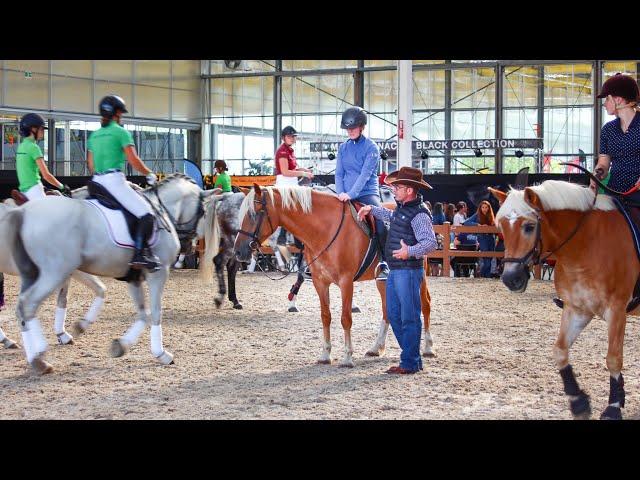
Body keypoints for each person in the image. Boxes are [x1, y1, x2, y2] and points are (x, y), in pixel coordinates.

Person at [358, 167, 438, 374]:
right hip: (396, 270)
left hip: (408, 271)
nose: (394, 189)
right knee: (394, 314)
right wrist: (371, 209)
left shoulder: (420, 214)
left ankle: (410, 362)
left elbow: (430, 243)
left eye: (398, 186)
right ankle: (412, 357)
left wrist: (409, 251)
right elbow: (392, 216)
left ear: (410, 190)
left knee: (409, 316)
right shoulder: (404, 208)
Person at [87, 95, 160, 271]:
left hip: (96, 182)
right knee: (146, 214)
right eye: (121, 113)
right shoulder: (121, 132)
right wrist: (149, 174)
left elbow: (91, 165)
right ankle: (139, 255)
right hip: (113, 181)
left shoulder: (94, 135)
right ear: (117, 113)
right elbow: (133, 160)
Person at [336, 106, 389, 280]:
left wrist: (350, 194)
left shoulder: (371, 147)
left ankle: (384, 262)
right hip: (344, 194)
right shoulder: (343, 148)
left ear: (362, 127)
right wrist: (340, 193)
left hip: (366, 193)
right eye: (347, 128)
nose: (350, 131)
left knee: (381, 224)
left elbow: (365, 175)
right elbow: (339, 173)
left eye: (353, 127)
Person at [591, 73, 640, 203]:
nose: (604, 104)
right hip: (614, 192)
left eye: (607, 99)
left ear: (618, 100)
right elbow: (604, 162)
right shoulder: (608, 129)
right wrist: (596, 175)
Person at [16, 113, 71, 200]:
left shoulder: (21, 146)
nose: (43, 132)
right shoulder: (34, 147)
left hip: (24, 192)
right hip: (35, 191)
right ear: (33, 129)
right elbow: (46, 175)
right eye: (41, 129)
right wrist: (62, 187)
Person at [274, 126, 313, 246]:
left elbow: (293, 168)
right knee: (290, 208)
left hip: (292, 182)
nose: (292, 138)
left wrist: (304, 169)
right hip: (284, 182)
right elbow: (285, 171)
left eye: (293, 136)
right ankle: (283, 236)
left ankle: (296, 236)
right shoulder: (282, 151)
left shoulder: (290, 151)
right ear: (283, 138)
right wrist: (303, 173)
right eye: (289, 136)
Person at [466, 200, 496, 278]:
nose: (484, 209)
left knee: (490, 258)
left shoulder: (491, 215)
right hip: (482, 238)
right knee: (486, 259)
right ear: (480, 208)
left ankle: (487, 276)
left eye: (486, 207)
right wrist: (478, 225)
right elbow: (467, 222)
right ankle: (482, 275)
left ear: (489, 208)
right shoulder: (477, 215)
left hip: (491, 238)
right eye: (483, 207)